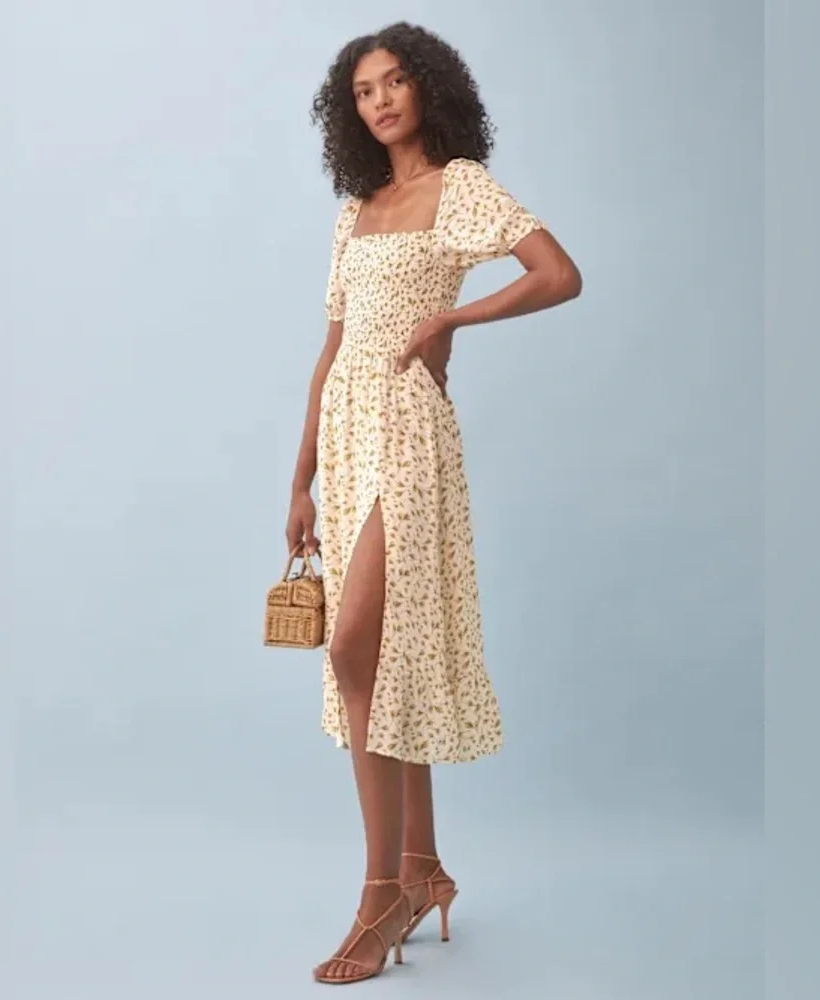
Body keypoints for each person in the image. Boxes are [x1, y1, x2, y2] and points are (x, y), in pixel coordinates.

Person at [286, 22, 582, 985]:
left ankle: (382, 896)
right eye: (363, 90)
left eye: (395, 81)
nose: (380, 100)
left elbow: (558, 274)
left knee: (355, 645)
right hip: (346, 433)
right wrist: (299, 480)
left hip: (409, 433)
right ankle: (422, 866)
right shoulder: (356, 211)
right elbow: (332, 352)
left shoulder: (461, 188)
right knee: (384, 650)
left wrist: (451, 316)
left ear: (427, 87)